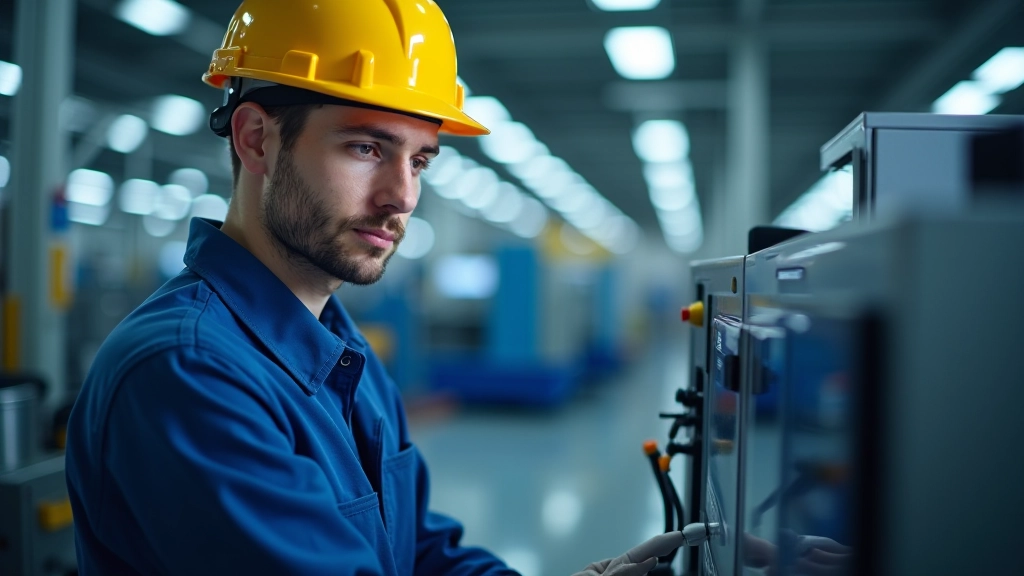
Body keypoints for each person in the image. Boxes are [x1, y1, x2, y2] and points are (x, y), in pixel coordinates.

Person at [64, 1, 684, 574]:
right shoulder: (189, 370)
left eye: (418, 161)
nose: (404, 197)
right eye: (366, 147)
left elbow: (416, 547)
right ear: (256, 139)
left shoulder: (340, 347)